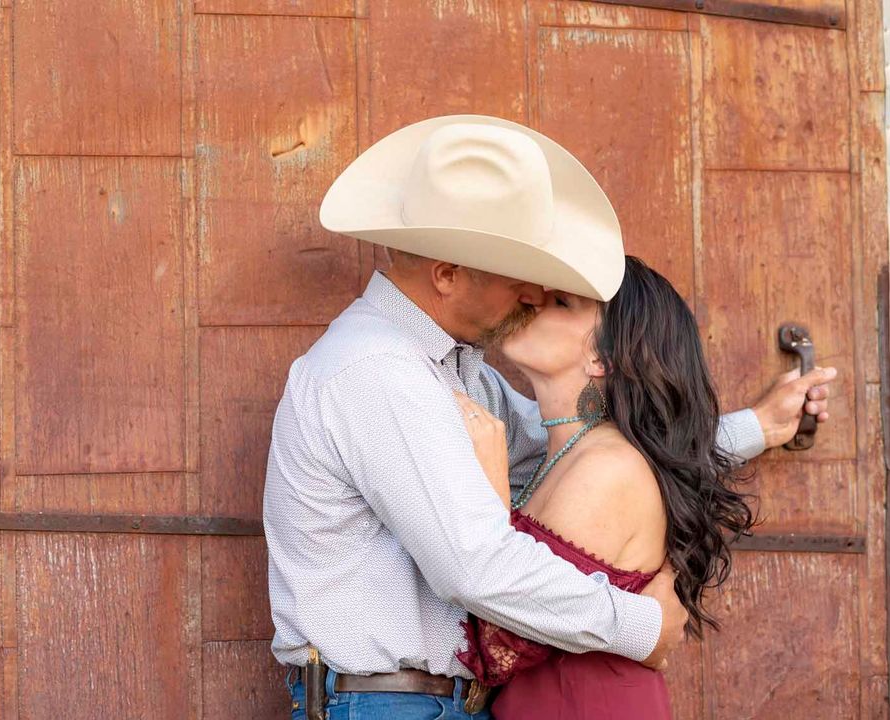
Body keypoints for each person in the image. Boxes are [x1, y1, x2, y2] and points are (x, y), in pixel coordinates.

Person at [263, 114, 835, 720]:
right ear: (448, 275)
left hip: (435, 702)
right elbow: (478, 571)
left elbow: (587, 439)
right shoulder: (377, 372)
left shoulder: (459, 372)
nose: (534, 293)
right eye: (520, 273)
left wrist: (758, 427)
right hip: (384, 704)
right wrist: (643, 625)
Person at [456, 256, 758, 719]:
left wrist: (492, 484)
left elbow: (502, 642)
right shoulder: (572, 453)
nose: (531, 299)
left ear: (602, 358)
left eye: (560, 301)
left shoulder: (607, 467)